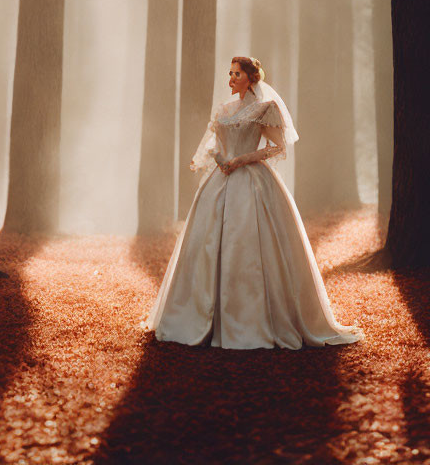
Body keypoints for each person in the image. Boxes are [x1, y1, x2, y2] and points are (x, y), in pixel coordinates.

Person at [145, 56, 362, 349]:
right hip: (221, 180)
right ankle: (202, 314)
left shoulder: (264, 108)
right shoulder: (224, 109)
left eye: (237, 74)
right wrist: (221, 159)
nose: (231, 79)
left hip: (252, 180)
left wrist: (244, 158)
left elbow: (278, 146)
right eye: (230, 73)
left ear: (251, 77)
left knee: (248, 243)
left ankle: (252, 319)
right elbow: (214, 144)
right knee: (207, 243)